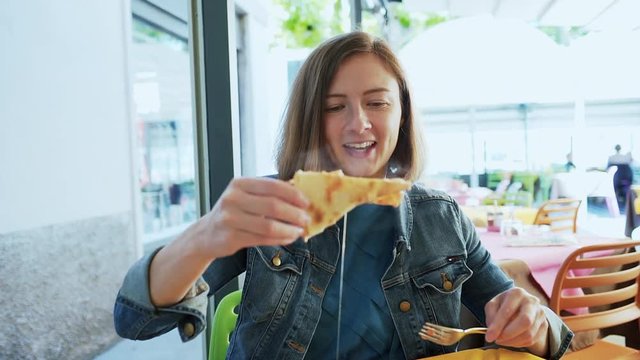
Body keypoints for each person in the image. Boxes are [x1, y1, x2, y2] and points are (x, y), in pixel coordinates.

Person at [113, 31, 573, 359]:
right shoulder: (271, 207)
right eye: (335, 107)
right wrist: (205, 236)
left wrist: (532, 324)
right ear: (312, 118)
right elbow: (134, 322)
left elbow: (553, 335)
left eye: (377, 102)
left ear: (403, 115)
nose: (359, 123)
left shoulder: (440, 217)